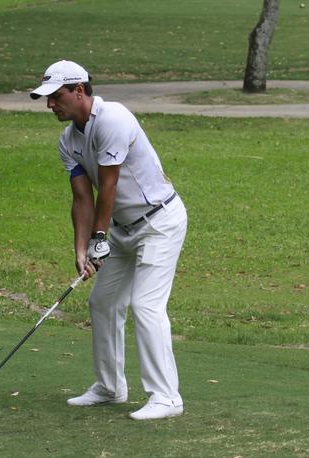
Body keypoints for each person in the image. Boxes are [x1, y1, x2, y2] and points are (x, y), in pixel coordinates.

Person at [30, 60, 188, 420]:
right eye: (47, 99)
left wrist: (100, 237)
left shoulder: (114, 119)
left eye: (56, 97)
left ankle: (167, 398)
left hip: (159, 221)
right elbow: (83, 198)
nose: (50, 105)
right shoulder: (68, 141)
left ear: (80, 91)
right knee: (102, 302)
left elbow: (110, 186)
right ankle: (110, 387)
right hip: (121, 229)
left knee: (146, 306)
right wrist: (82, 248)